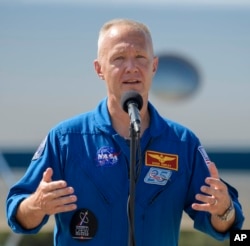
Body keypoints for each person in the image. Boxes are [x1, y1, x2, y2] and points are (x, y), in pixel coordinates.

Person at [6, 18, 244, 246]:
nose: (131, 68)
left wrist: (224, 210)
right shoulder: (66, 139)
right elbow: (17, 215)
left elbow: (231, 231)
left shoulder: (182, 142)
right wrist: (36, 205)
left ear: (154, 66)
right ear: (99, 69)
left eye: (140, 57)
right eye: (119, 58)